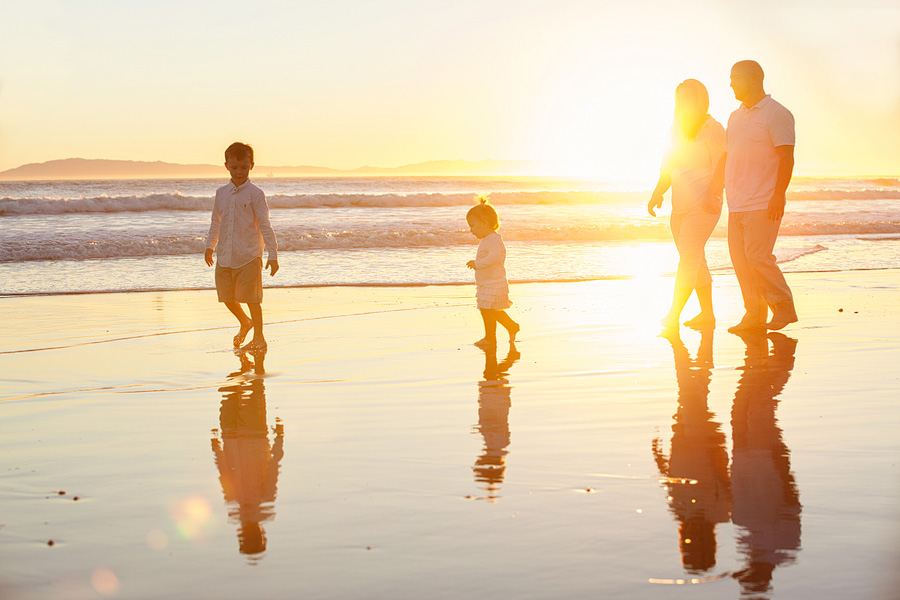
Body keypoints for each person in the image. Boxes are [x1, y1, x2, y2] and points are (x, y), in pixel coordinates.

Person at [713, 60, 798, 333]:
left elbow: (786, 157)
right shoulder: (735, 116)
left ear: (755, 78)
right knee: (741, 262)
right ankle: (754, 315)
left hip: (764, 201)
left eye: (736, 78)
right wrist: (715, 185)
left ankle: (783, 307)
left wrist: (779, 195)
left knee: (758, 257)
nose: (730, 83)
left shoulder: (777, 114)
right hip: (736, 203)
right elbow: (728, 155)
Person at [649, 79, 725, 330]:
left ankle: (673, 316)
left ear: (701, 100)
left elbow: (723, 164)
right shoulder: (675, 130)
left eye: (688, 98)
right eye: (679, 99)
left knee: (689, 260)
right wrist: (657, 193)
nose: (682, 104)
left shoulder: (713, 128)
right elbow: (668, 166)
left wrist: (712, 193)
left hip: (704, 204)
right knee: (694, 258)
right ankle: (707, 315)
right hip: (679, 206)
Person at [205, 142, 279, 350]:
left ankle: (259, 337)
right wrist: (210, 246)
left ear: (251, 166)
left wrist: (272, 255)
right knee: (227, 297)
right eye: (235, 167)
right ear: (227, 166)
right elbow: (215, 222)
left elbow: (265, 224)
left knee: (252, 299)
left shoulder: (255, 194)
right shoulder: (221, 193)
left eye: (244, 167)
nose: (239, 172)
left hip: (249, 254)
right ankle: (245, 322)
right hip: (226, 255)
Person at [466, 195, 520, 348]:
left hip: (493, 282)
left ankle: (490, 339)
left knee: (487, 309)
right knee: (491, 310)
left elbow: (495, 257)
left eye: (473, 226)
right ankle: (511, 326)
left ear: (485, 223)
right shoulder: (489, 239)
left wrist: (478, 264)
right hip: (488, 282)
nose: (471, 230)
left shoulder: (492, 239)